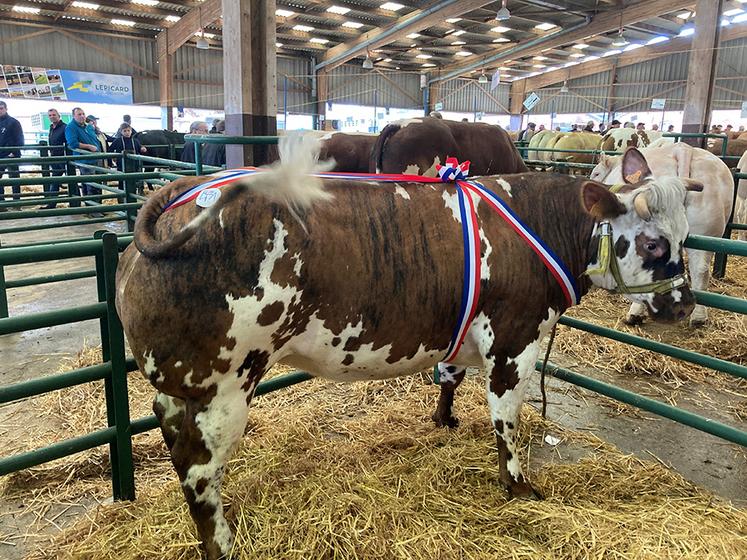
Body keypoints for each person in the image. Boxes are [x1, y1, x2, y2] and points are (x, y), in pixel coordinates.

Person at [65, 107, 102, 198]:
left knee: (95, 183)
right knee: (91, 184)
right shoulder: (71, 127)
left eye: (83, 114)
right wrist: (88, 146)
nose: (82, 116)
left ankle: (94, 207)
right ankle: (93, 208)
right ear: (74, 116)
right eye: (79, 114)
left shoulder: (87, 127)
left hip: (95, 158)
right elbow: (73, 143)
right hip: (85, 160)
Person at [41, 108, 67, 209]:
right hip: (55, 157)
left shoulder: (65, 127)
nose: (52, 117)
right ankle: (52, 203)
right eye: (50, 115)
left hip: (64, 157)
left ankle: (76, 201)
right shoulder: (52, 127)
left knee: (71, 179)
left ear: (59, 116)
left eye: (54, 115)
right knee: (55, 180)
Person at [0, 101, 24, 208]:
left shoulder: (14, 122)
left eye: (1, 108)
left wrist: (13, 152)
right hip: (0, 155)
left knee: (14, 178)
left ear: (6, 109)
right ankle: (1, 203)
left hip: (11, 155)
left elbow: (20, 140)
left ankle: (16, 203)